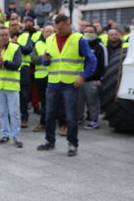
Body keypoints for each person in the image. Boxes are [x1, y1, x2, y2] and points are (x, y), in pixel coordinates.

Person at [37, 15, 97, 157]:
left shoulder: (78, 39)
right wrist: (45, 60)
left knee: (70, 116)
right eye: (57, 28)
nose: (59, 31)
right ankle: (49, 141)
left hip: (70, 84)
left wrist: (83, 76)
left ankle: (72, 144)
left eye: (62, 28)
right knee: (49, 115)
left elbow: (91, 60)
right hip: (53, 83)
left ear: (69, 24)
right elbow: (47, 62)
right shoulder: (50, 38)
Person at [0, 27, 23, 147]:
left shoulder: (16, 47)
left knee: (14, 113)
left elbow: (17, 64)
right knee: (2, 113)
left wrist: (4, 62)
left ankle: (16, 137)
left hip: (12, 86)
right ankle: (5, 135)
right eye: (2, 35)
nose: (5, 37)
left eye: (7, 35)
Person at [31, 25, 66, 133]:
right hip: (41, 77)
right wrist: (44, 58)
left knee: (59, 102)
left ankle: (63, 125)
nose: (49, 33)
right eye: (46, 31)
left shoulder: (59, 43)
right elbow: (32, 59)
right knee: (44, 102)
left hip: (56, 76)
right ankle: (43, 123)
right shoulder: (37, 43)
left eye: (51, 31)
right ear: (43, 33)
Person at [78, 25, 107, 129]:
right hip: (79, 79)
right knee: (79, 101)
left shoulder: (100, 46)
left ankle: (94, 120)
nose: (88, 33)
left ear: (95, 32)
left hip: (93, 80)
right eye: (86, 31)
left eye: (91, 31)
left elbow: (104, 64)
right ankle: (79, 118)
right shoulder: (80, 44)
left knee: (93, 102)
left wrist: (101, 79)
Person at [9, 18, 34, 128]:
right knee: (10, 95)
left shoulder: (26, 36)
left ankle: (24, 118)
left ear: (20, 26)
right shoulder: (5, 36)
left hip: (23, 69)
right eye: (12, 25)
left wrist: (17, 44)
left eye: (16, 25)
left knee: (23, 96)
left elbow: (28, 49)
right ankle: (11, 118)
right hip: (10, 69)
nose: (14, 26)